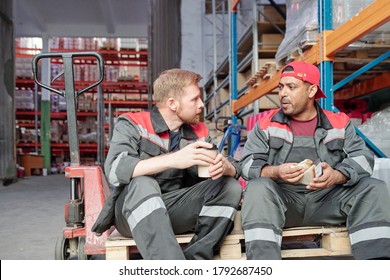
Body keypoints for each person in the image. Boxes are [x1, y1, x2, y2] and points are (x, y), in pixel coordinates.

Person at [239, 61, 390, 260]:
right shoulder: (266, 125)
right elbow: (247, 163)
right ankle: (266, 266)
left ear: (311, 91)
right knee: (257, 188)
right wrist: (275, 171)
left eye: (291, 87)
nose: (283, 93)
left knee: (373, 187)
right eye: (281, 87)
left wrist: (337, 175)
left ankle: (376, 265)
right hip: (284, 202)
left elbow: (364, 159)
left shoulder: (339, 123)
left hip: (328, 200)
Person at [92, 69, 242, 259]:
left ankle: (195, 260)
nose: (201, 105)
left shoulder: (198, 132)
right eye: (194, 99)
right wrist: (175, 159)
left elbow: (232, 166)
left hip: (174, 208)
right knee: (143, 183)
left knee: (229, 186)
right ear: (172, 103)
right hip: (132, 213)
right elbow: (114, 171)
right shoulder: (132, 123)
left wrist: (226, 167)